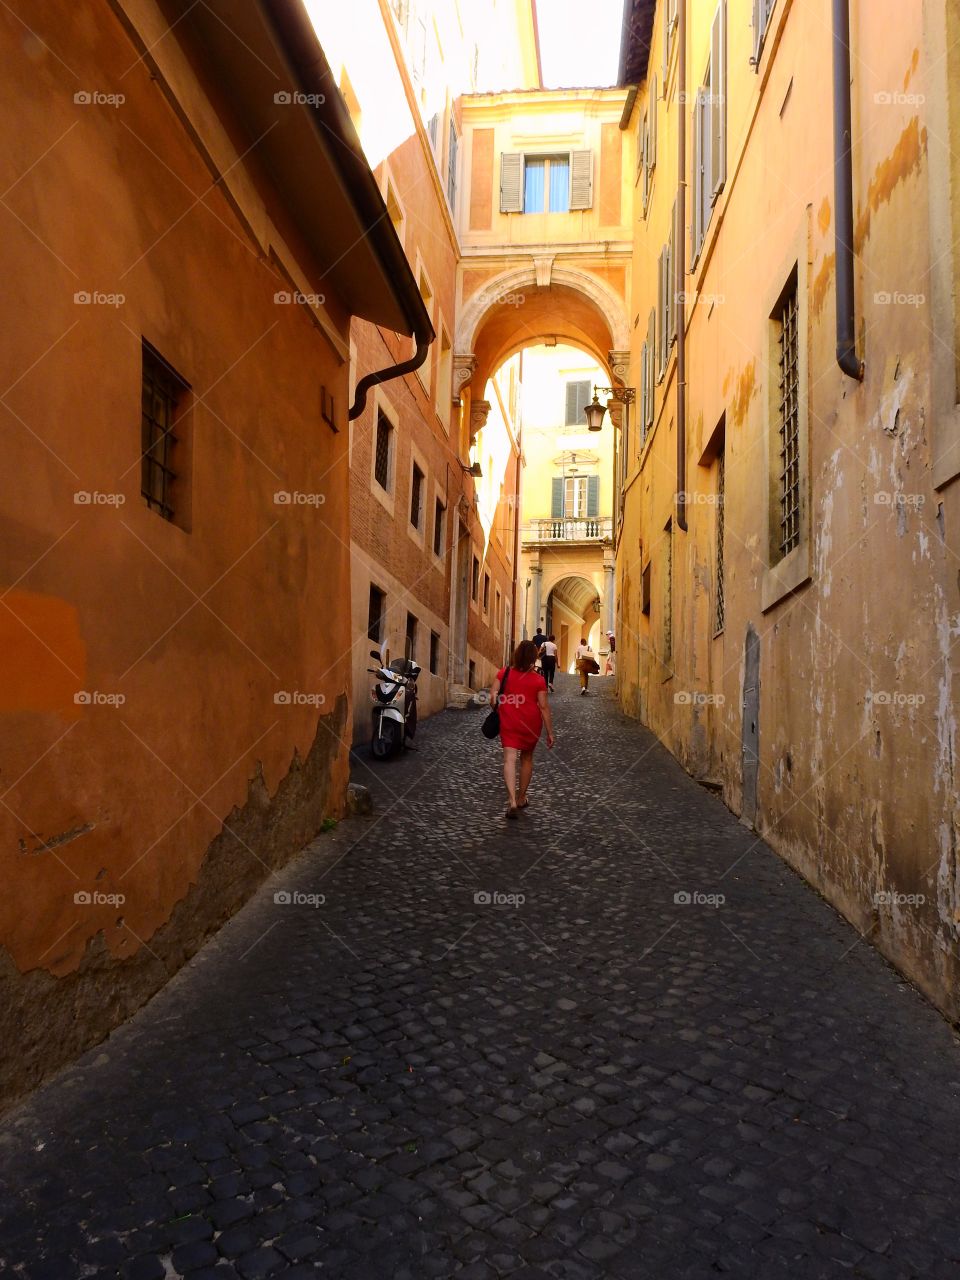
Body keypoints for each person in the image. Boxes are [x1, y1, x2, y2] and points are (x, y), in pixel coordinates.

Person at [488, 639, 555, 819]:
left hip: (509, 721)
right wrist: (550, 732)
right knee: (526, 759)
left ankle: (511, 801)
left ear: (516, 655)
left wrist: (498, 709)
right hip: (530, 723)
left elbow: (492, 697)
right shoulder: (539, 680)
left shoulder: (504, 673)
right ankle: (521, 797)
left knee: (509, 760)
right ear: (534, 657)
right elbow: (543, 707)